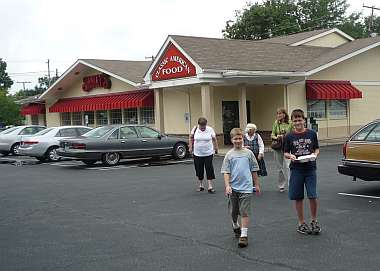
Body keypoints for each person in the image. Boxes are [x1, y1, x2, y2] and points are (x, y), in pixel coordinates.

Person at [283, 109, 321, 235]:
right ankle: (301, 222)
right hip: (296, 169)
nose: (298, 122)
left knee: (312, 195)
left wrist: (315, 155)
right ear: (292, 122)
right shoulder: (289, 136)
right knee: (298, 197)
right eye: (295, 120)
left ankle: (314, 221)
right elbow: (285, 152)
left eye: (300, 120)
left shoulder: (311, 133)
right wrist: (290, 156)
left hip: (310, 168)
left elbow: (316, 149)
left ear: (304, 120)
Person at [221, 128, 261, 248]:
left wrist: (257, 184)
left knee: (244, 212)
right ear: (232, 140)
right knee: (234, 211)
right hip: (233, 188)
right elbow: (226, 172)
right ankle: (235, 224)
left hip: (246, 188)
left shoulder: (248, 154)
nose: (238, 141)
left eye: (240, 138)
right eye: (235, 139)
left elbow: (254, 170)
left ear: (243, 139)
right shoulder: (229, 155)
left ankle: (244, 236)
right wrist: (227, 186)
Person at [188, 117, 219, 193]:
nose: (203, 128)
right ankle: (201, 185)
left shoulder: (210, 129)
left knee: (209, 168)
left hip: (208, 153)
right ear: (199, 125)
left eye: (204, 126)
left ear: (206, 124)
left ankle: (210, 186)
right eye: (201, 126)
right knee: (199, 169)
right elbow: (191, 137)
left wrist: (216, 148)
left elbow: (214, 139)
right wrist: (191, 147)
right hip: (197, 153)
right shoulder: (195, 129)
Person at [271, 108, 292, 192]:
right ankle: (281, 185)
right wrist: (277, 137)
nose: (278, 115)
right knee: (280, 168)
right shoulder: (276, 123)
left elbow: (293, 133)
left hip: (287, 146)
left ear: (284, 114)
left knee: (289, 166)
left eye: (280, 113)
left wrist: (286, 137)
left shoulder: (290, 123)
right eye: (277, 114)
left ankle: (291, 184)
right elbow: (272, 134)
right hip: (278, 147)